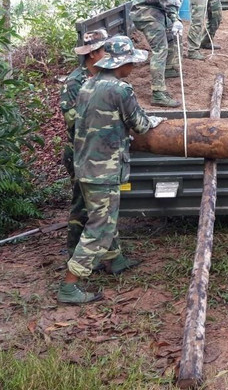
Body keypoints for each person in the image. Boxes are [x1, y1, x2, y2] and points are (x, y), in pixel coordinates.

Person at [59, 35, 166, 304]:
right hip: (103, 169)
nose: (134, 68)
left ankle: (114, 260)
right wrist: (156, 120)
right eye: (132, 62)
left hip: (86, 164)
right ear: (122, 63)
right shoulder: (120, 90)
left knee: (105, 215)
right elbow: (140, 125)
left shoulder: (88, 85)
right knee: (100, 226)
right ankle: (70, 285)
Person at [130, 0, 199, 107]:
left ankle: (168, 69)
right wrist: (175, 19)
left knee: (172, 37)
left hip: (157, 8)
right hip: (145, 10)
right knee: (160, 46)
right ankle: (158, 93)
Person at [59, 29, 108, 255]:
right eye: (103, 50)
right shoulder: (75, 81)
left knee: (99, 204)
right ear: (92, 54)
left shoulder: (102, 76)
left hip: (95, 151)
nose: (106, 53)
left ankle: (105, 253)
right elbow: (73, 120)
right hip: (80, 151)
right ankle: (73, 251)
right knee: (81, 203)